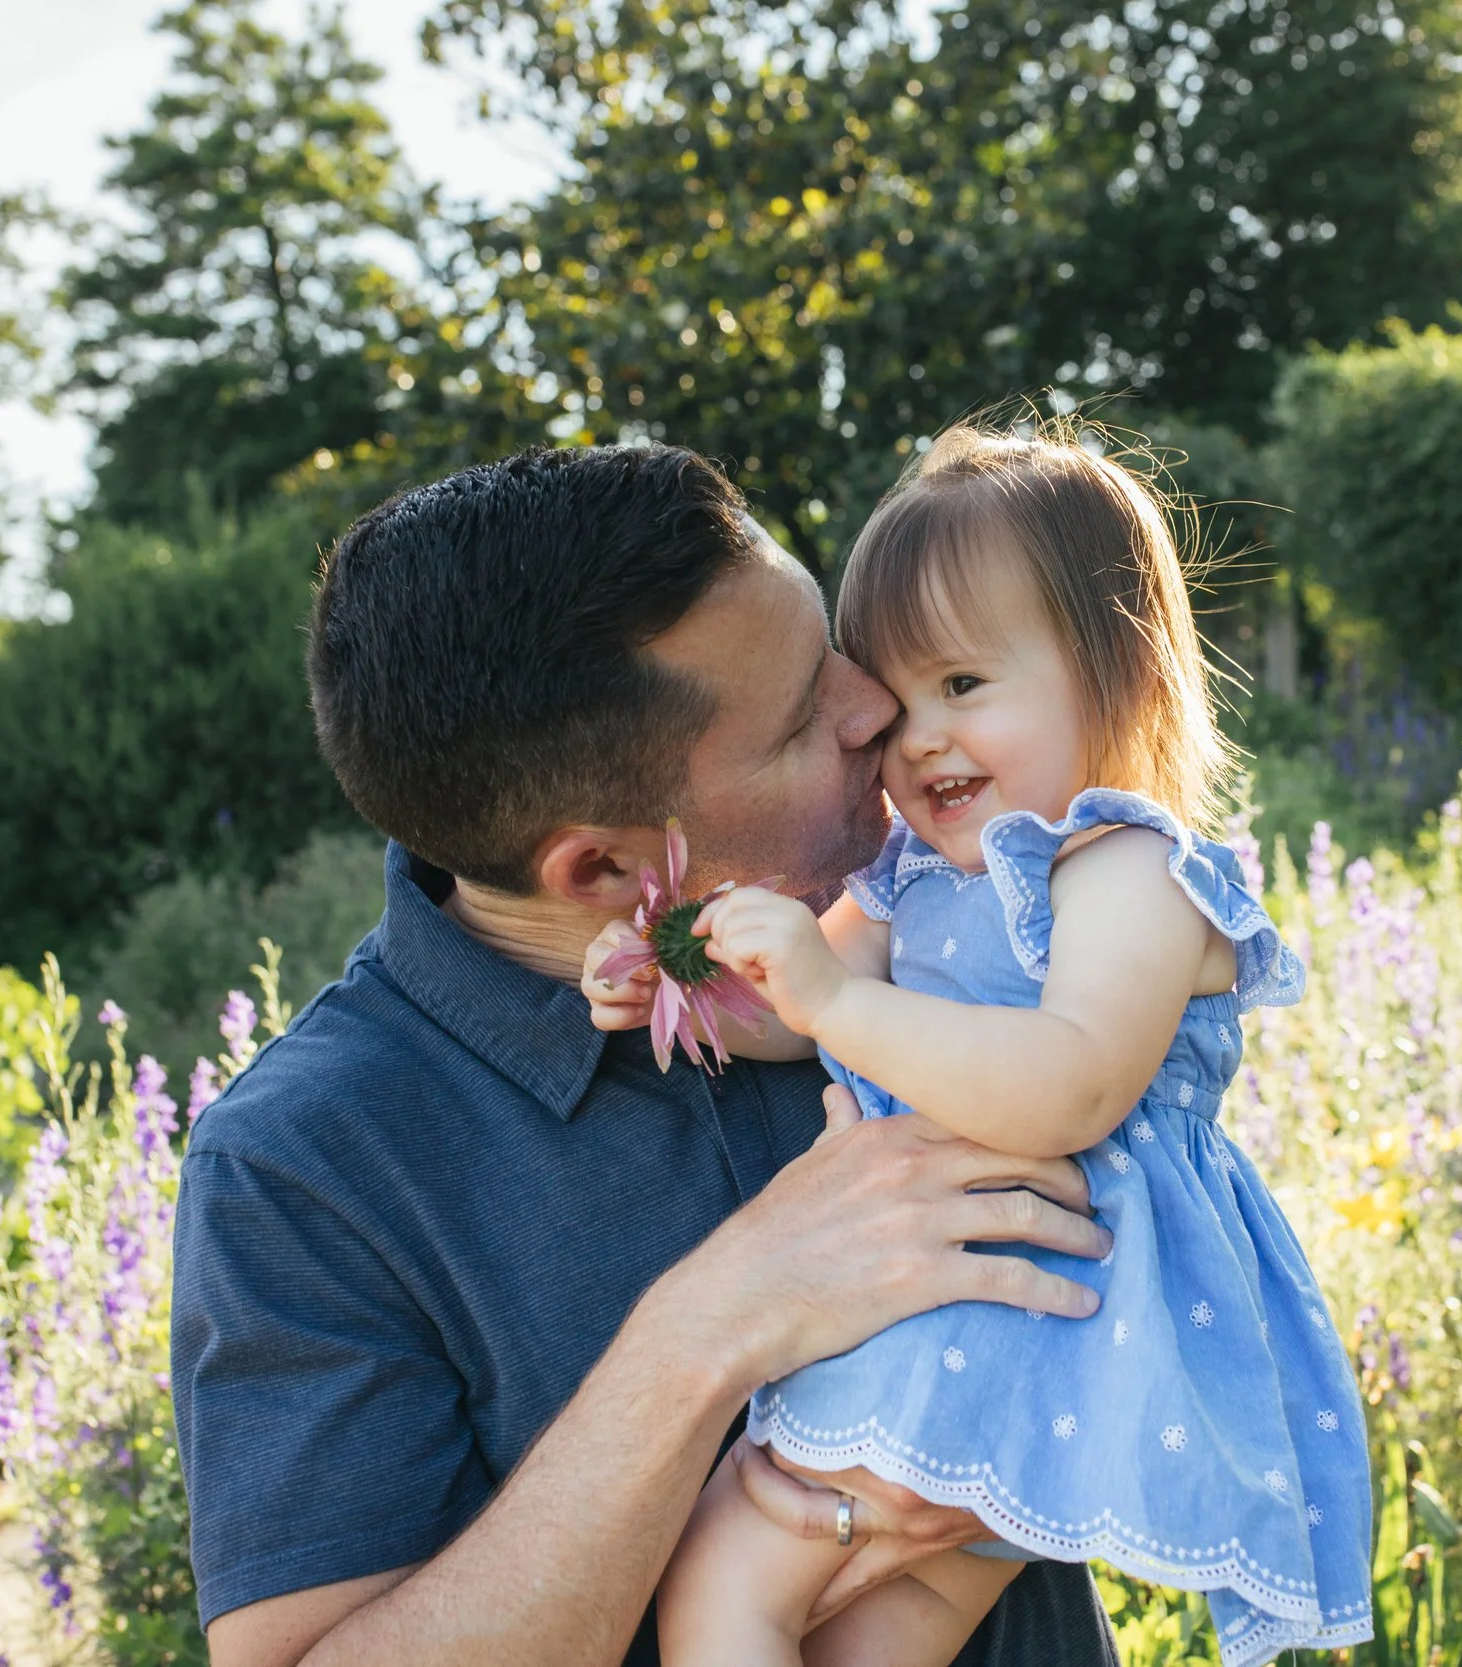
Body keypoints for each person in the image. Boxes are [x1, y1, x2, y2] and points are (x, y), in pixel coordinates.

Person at [169, 444, 1125, 1667]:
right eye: (797, 719)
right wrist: (711, 1324)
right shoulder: (305, 1162)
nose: (873, 704)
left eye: (829, 640)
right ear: (607, 869)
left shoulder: (921, 920)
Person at [585, 424, 1374, 1667]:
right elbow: (803, 1004)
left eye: (964, 685)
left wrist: (834, 1003)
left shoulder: (1130, 871)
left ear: (1119, 676)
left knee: (724, 1585)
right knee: (865, 1643)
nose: (919, 740)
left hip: (1030, 1302)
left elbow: (1066, 1083)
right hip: (982, 1313)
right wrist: (685, 981)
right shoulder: (918, 878)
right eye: (897, 705)